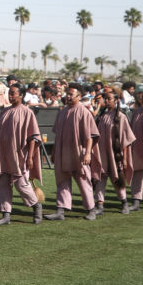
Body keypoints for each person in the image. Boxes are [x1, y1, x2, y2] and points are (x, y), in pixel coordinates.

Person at [45, 85, 100, 221]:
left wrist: (87, 153)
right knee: (62, 180)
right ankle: (60, 210)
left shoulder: (84, 112)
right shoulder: (62, 112)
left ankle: (91, 209)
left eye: (71, 95)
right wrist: (54, 152)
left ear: (79, 96)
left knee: (83, 180)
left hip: (79, 152)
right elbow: (57, 134)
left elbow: (90, 136)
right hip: (63, 152)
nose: (68, 97)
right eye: (67, 94)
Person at [0, 83, 44, 225]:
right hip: (3, 155)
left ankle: (36, 206)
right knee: (3, 183)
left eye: (13, 93)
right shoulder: (4, 112)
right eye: (10, 93)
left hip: (19, 155)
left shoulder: (27, 112)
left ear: (21, 95)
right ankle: (6, 215)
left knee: (21, 184)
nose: (10, 95)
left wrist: (31, 157)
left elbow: (33, 136)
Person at [94, 86, 135, 214]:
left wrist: (126, 158)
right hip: (102, 153)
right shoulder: (103, 116)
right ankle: (100, 206)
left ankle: (124, 203)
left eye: (109, 99)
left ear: (116, 100)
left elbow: (127, 140)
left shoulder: (121, 117)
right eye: (105, 99)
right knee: (100, 178)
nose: (106, 101)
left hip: (115, 154)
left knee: (116, 178)